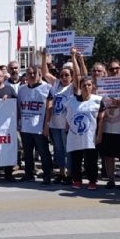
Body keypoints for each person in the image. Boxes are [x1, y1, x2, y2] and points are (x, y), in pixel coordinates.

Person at [64, 55, 104, 190]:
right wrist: (74, 57)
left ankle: (92, 181)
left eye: (89, 85)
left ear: (92, 86)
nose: (86, 87)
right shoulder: (72, 100)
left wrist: (99, 135)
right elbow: (68, 117)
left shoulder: (98, 100)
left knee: (90, 160)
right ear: (80, 86)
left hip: (90, 135)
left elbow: (101, 119)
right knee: (76, 158)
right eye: (84, 85)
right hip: (75, 133)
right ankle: (77, 180)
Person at [17, 66, 53, 185]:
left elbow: (49, 109)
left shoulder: (47, 88)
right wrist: (18, 122)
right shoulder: (21, 89)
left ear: (40, 75)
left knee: (43, 152)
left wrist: (46, 125)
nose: (32, 75)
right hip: (25, 126)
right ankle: (29, 174)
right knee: (27, 153)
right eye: (29, 73)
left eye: (34, 73)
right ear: (26, 75)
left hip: (39, 127)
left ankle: (47, 175)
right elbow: (18, 107)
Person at [41, 48, 73, 184]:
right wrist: (44, 57)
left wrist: (75, 57)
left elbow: (80, 75)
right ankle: (61, 172)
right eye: (62, 75)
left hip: (67, 124)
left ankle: (70, 174)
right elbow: (45, 73)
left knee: (68, 150)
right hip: (55, 124)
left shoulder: (73, 87)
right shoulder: (56, 84)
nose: (64, 77)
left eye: (67, 75)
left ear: (71, 76)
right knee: (59, 150)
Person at [100, 60, 120, 190]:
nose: (114, 71)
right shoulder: (102, 85)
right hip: (107, 126)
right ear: (107, 71)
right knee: (109, 155)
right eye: (111, 69)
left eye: (116, 69)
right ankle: (111, 179)